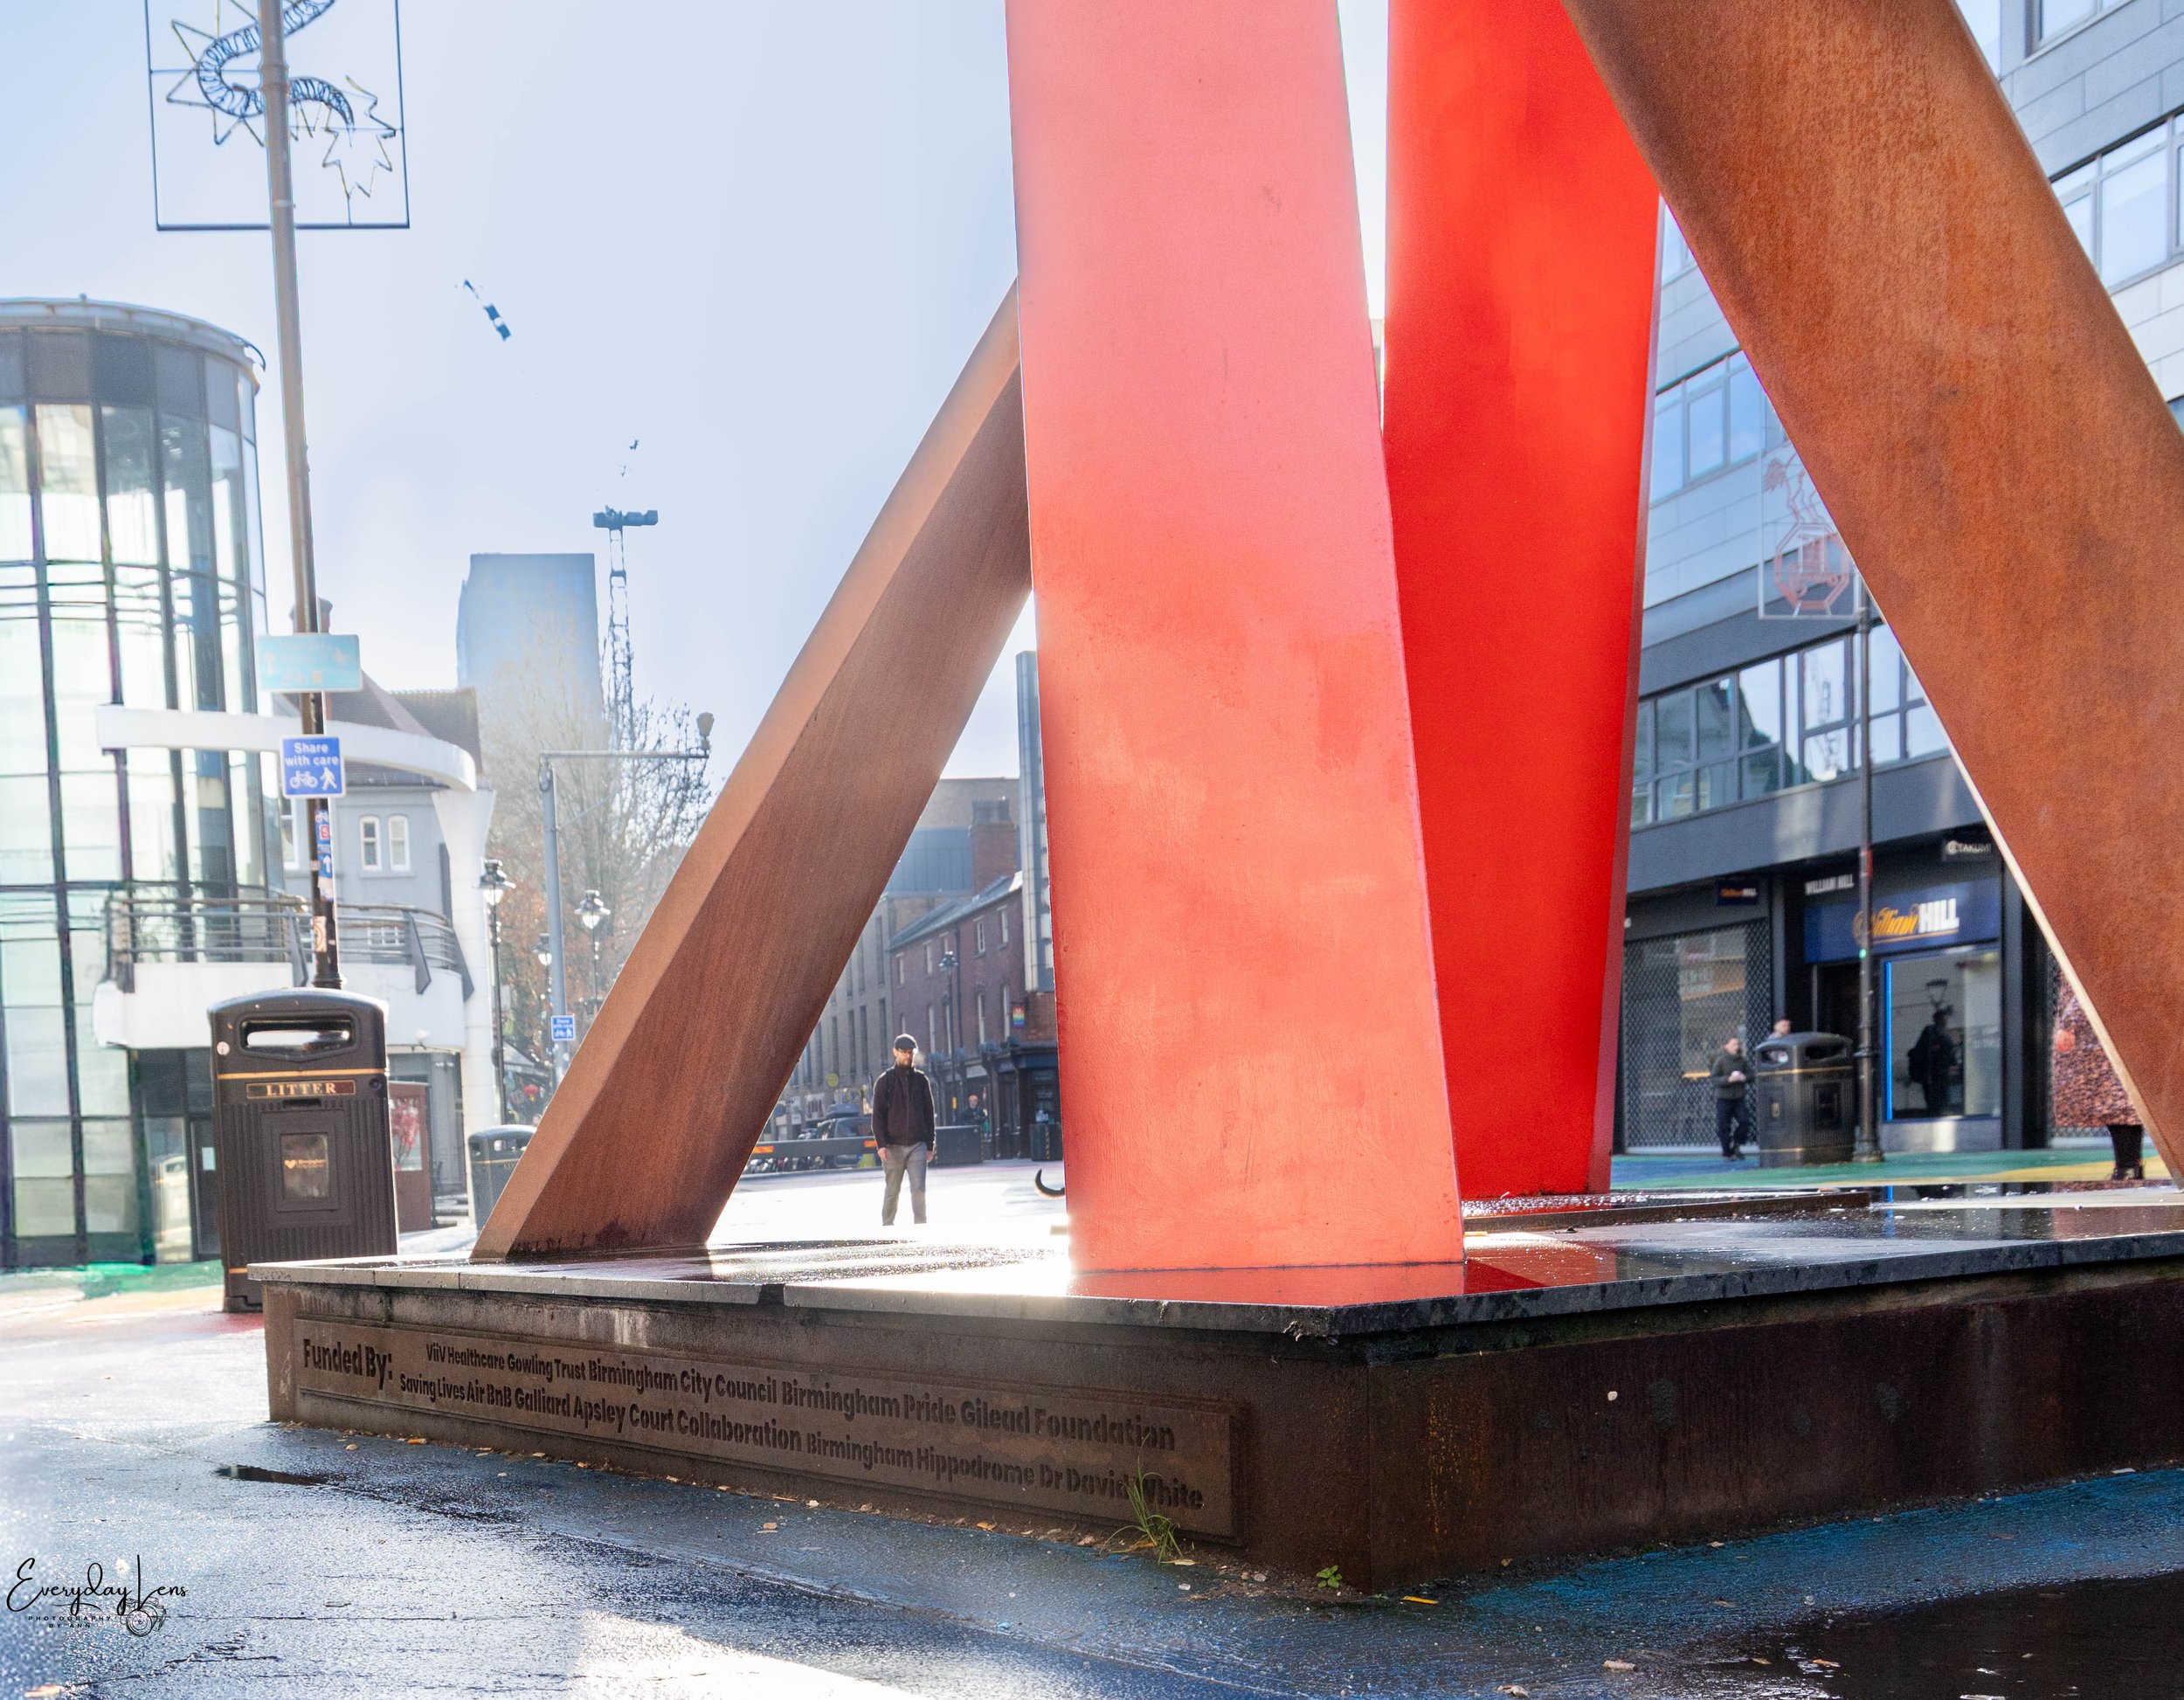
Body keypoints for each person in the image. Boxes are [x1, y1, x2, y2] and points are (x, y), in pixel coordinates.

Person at [2052, 985, 2146, 1181]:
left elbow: (2090, 981)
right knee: (2119, 1105)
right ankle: (2128, 1167)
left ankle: (2127, 1168)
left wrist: (2070, 1023)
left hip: (2100, 1028)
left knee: (2119, 1105)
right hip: (2100, 1026)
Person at [871, 1035, 937, 1225]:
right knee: (892, 1190)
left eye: (911, 1053)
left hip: (917, 1145)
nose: (908, 1056)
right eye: (904, 1053)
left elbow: (929, 1113)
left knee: (919, 1189)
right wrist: (881, 1145)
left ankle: (921, 1227)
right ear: (895, 1052)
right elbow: (878, 1116)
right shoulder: (885, 1082)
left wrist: (930, 1144)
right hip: (892, 1146)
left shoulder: (921, 1080)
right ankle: (887, 1227)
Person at [1709, 1035, 1753, 1160]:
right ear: (1726, 1046)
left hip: (1739, 1097)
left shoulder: (1742, 1060)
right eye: (1734, 1044)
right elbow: (1714, 1078)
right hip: (1724, 1097)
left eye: (1738, 1044)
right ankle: (1727, 1152)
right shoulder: (1721, 1060)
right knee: (1723, 1125)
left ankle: (1736, 1143)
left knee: (1744, 1121)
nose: (1737, 1047)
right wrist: (1728, 1079)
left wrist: (1744, 1077)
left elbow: (1751, 1074)